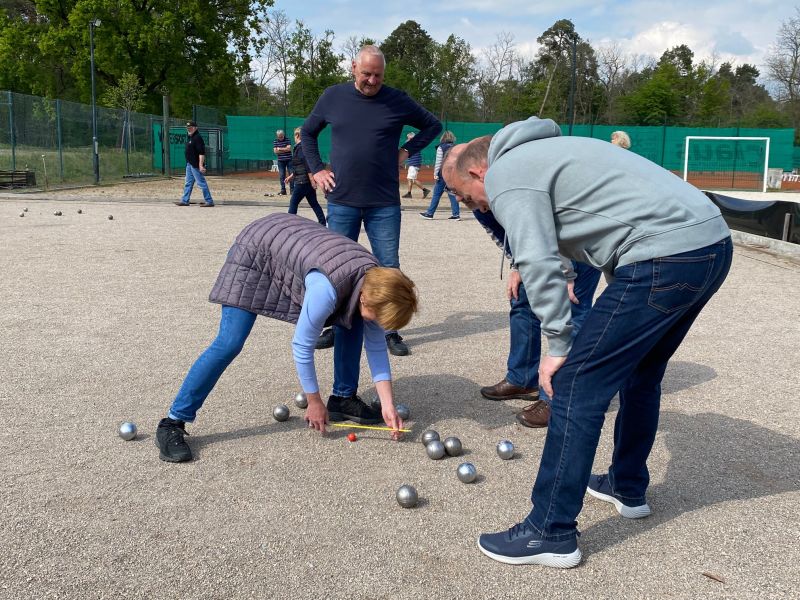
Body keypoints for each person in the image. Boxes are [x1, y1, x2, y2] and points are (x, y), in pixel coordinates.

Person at [445, 117, 731, 568]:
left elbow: (535, 259)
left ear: (478, 172)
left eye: (465, 195)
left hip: (665, 256)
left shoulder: (505, 173)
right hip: (711, 245)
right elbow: (614, 219)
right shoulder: (549, 153)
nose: (475, 206)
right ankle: (626, 484)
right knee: (641, 373)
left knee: (577, 383)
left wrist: (558, 343)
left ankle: (550, 531)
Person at [155, 213, 418, 463]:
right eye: (378, 317)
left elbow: (375, 348)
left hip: (293, 247)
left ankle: (342, 399)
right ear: (365, 297)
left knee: (354, 323)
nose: (377, 325)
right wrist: (313, 402)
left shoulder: (374, 285)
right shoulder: (326, 291)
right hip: (256, 250)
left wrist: (388, 405)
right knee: (229, 342)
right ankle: (172, 422)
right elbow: (302, 345)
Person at [301, 44, 441, 368]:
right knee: (336, 268)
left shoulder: (396, 99)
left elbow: (432, 125)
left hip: (383, 202)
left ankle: (390, 330)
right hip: (342, 199)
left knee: (388, 266)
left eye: (378, 75)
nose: (371, 81)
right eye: (366, 74)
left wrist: (406, 151)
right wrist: (317, 169)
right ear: (353, 68)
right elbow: (308, 133)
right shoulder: (333, 97)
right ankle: (337, 325)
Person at [471, 208, 600, 428]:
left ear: (476, 173)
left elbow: (549, 221)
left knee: (570, 311)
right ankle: (521, 380)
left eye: (455, 190)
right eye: (449, 190)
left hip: (576, 243)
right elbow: (511, 235)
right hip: (543, 246)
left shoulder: (511, 186)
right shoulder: (477, 203)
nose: (457, 198)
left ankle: (557, 398)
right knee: (521, 299)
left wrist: (566, 274)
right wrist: (518, 264)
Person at [285, 127, 326, 226]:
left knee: (293, 202)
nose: (294, 137)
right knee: (313, 203)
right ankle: (323, 222)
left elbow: (308, 166)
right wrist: (291, 176)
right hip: (305, 180)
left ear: (298, 135)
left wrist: (312, 181)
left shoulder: (301, 148)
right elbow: (300, 166)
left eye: (294, 135)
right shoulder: (300, 148)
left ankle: (290, 224)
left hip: (303, 182)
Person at [419, 131, 460, 220]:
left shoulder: (441, 147)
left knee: (436, 194)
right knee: (452, 194)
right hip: (453, 175)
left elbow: (438, 162)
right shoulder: (456, 147)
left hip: (442, 174)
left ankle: (430, 213)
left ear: (442, 138)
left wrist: (435, 174)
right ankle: (456, 215)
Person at [175, 121, 214, 207]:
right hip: (189, 164)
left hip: (195, 164)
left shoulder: (197, 138)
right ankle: (185, 200)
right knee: (188, 183)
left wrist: (200, 165)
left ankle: (209, 201)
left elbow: (201, 153)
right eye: (188, 128)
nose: (189, 129)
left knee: (201, 183)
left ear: (196, 128)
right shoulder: (190, 137)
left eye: (191, 127)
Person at [402, 132, 430, 199]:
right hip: (414, 164)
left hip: (413, 164)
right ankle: (409, 193)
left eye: (408, 137)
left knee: (412, 179)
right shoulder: (416, 143)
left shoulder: (412, 144)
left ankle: (425, 190)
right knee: (409, 179)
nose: (407, 139)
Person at [273, 130, 293, 195]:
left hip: (289, 160)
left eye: (281, 136)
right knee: (282, 176)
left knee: (291, 175)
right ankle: (283, 190)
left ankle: (292, 190)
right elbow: (275, 152)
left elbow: (289, 149)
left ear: (283, 135)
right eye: (279, 137)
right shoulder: (275, 141)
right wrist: (285, 149)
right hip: (280, 161)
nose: (280, 138)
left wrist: (280, 149)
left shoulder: (287, 140)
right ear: (277, 136)